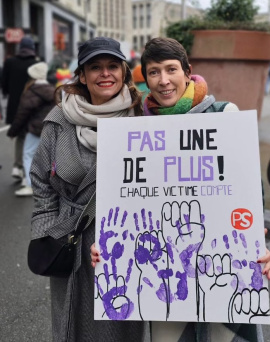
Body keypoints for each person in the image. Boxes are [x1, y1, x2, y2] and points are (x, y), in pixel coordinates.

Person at [91, 37, 270, 342]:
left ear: (187, 72)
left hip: (222, 267)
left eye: (171, 69)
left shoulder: (223, 115)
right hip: (163, 279)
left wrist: (258, 241)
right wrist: (108, 249)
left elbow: (250, 189)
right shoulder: (135, 127)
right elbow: (124, 201)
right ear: (145, 79)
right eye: (153, 72)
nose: (163, 81)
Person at [29, 37, 144, 341]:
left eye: (112, 66)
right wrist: (49, 233)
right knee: (75, 327)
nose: (105, 73)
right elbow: (41, 180)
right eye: (95, 67)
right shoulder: (59, 120)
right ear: (82, 75)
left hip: (129, 242)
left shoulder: (144, 117)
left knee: (122, 324)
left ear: (124, 72)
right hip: (74, 239)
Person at [7, 62, 55, 197]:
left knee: (28, 155)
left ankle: (30, 185)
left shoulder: (31, 91)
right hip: (50, 128)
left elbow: (21, 114)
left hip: (35, 129)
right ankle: (49, 185)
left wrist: (13, 132)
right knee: (48, 157)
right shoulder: (52, 90)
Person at [2, 36, 37, 181]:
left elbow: (3, 84)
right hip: (33, 105)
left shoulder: (10, 62)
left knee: (20, 136)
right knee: (31, 137)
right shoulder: (36, 63)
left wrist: (9, 93)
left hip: (15, 105)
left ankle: (17, 166)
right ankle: (26, 169)